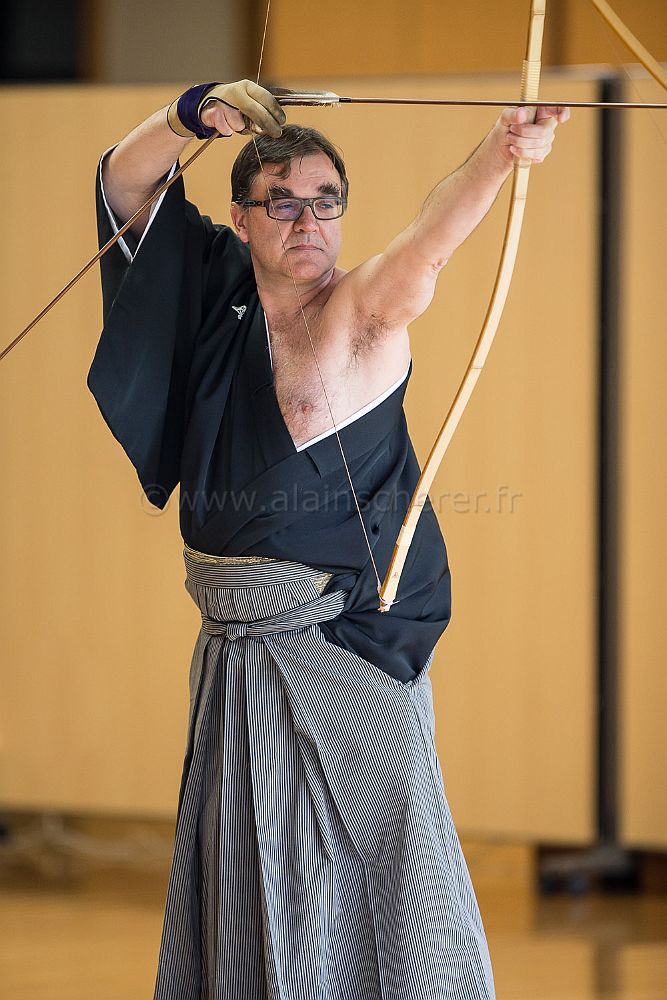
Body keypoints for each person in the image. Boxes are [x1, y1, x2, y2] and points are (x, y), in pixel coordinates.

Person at [89, 80, 568, 1000]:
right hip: (235, 651)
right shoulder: (212, 297)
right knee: (250, 865)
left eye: (325, 201)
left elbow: (429, 242)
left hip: (344, 646)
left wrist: (500, 151)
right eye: (281, 203)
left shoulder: (358, 315)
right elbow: (122, 182)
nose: (307, 221)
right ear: (240, 218)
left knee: (383, 859)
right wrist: (190, 114)